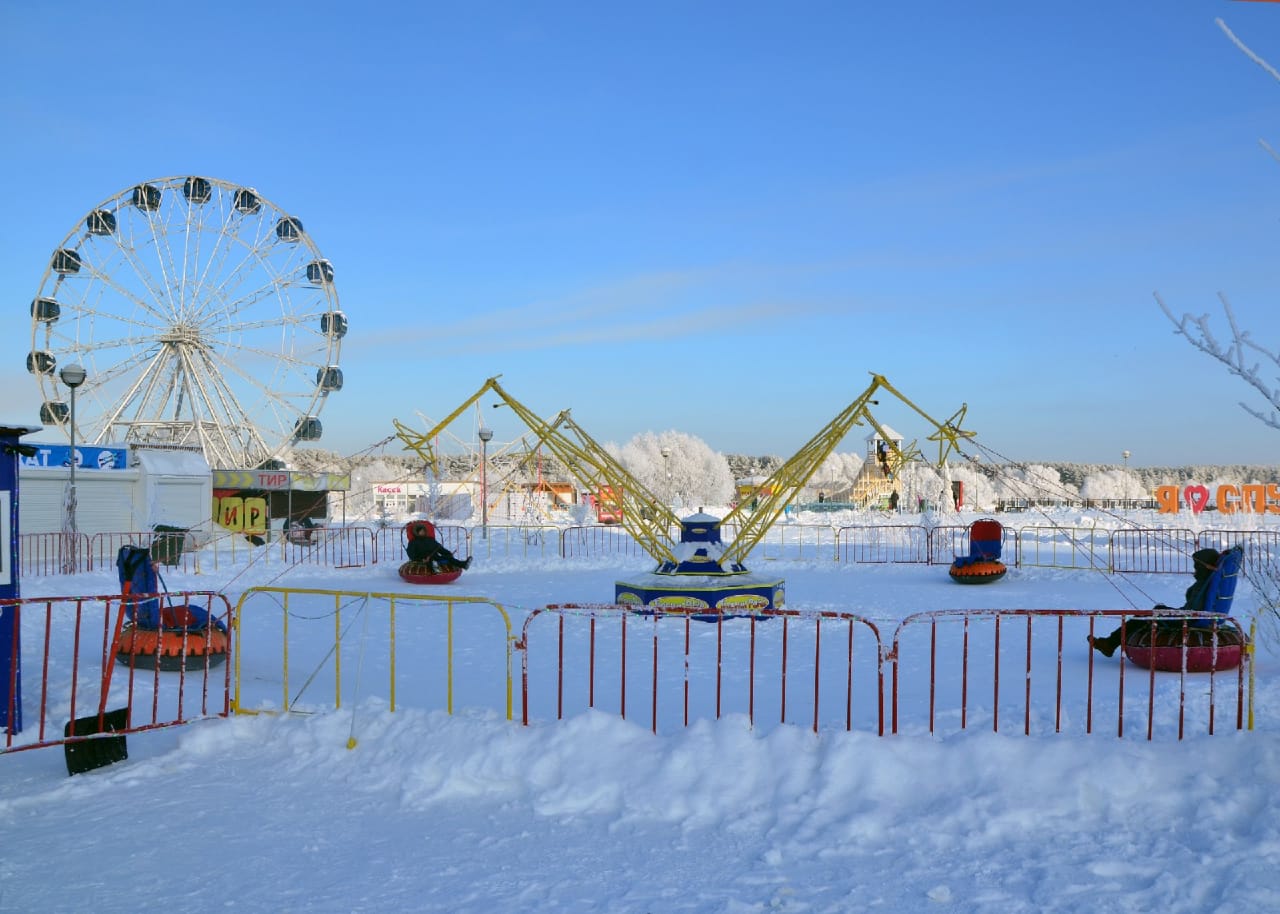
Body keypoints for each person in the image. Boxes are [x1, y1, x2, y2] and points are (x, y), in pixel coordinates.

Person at [1088, 547, 1220, 657]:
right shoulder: (1208, 581)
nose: (1195, 569)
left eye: (1197, 566)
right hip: (1190, 615)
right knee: (1157, 608)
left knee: (1140, 618)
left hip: (1188, 618)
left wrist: (1169, 613)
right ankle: (1110, 643)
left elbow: (1193, 609)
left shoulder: (1203, 583)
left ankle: (1110, 644)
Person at [405, 522, 471, 573]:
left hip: (435, 557)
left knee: (448, 558)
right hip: (423, 559)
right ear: (417, 532)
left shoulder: (430, 539)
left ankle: (463, 565)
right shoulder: (413, 542)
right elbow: (411, 554)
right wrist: (421, 559)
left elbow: (439, 548)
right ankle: (435, 570)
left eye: (423, 531)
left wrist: (448, 553)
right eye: (421, 531)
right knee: (431, 561)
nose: (423, 532)